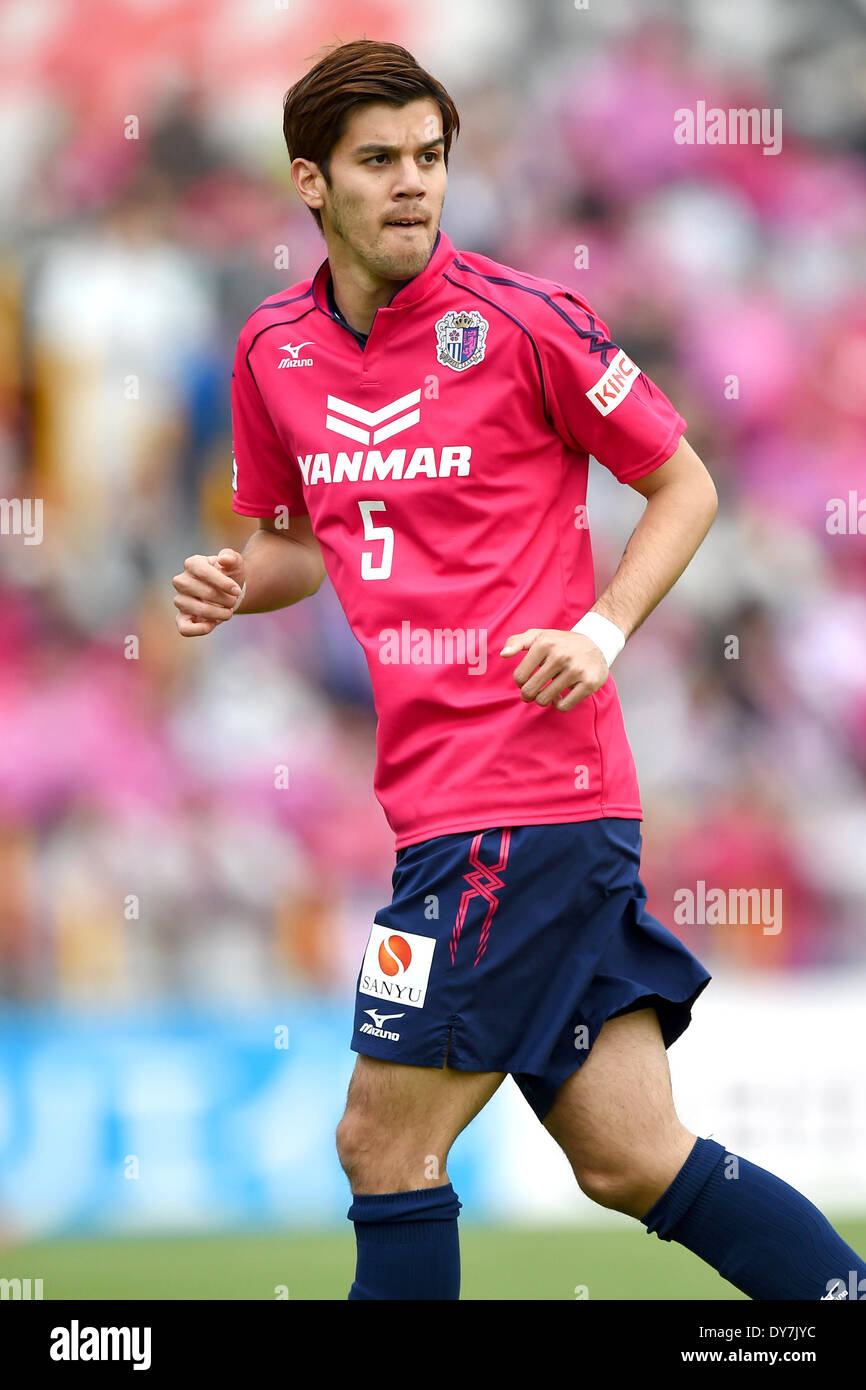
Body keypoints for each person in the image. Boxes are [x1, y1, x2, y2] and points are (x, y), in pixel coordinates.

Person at [172, 38, 866, 1301]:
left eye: (428, 158)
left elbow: (683, 481)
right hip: (454, 812)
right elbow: (294, 544)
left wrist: (598, 631)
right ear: (307, 183)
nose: (411, 186)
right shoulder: (272, 351)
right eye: (376, 161)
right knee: (630, 1156)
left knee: (380, 1140)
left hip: (518, 811)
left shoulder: (523, 322)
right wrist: (235, 579)